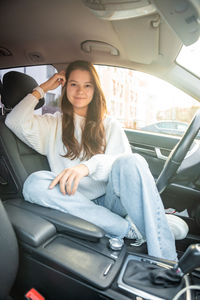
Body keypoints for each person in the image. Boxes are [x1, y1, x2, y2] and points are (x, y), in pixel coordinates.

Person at [5, 60, 177, 261]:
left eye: (88, 85)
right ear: (65, 86)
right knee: (34, 183)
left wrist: (86, 167)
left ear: (96, 90)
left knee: (133, 161)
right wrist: (42, 89)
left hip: (110, 199)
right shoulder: (53, 124)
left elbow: (121, 165)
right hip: (74, 200)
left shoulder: (109, 124)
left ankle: (167, 261)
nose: (80, 91)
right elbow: (13, 121)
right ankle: (127, 229)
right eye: (74, 84)